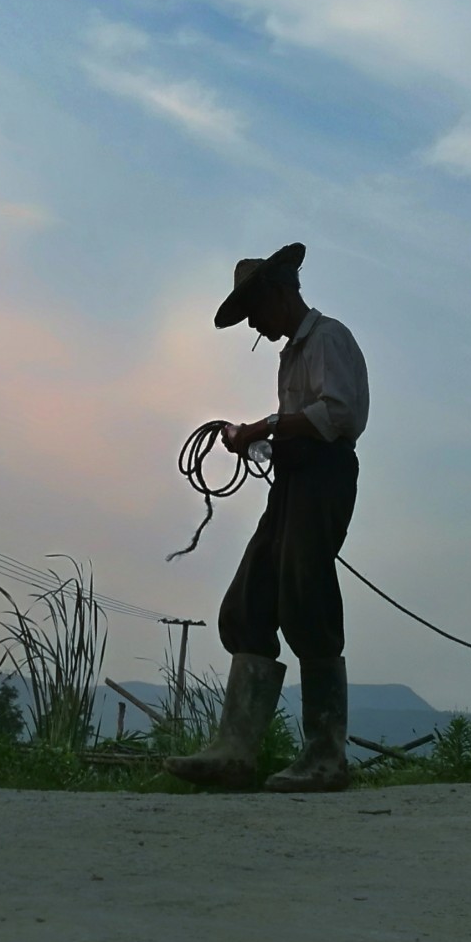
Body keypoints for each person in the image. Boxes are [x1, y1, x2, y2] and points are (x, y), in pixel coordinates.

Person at [165, 242, 370, 792]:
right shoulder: (291, 356)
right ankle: (234, 751)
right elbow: (300, 422)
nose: (254, 325)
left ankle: (326, 756)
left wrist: (265, 427)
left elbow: (338, 413)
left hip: (324, 478)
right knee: (250, 600)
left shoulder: (328, 339)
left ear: (280, 294)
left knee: (307, 595)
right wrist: (259, 438)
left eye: (254, 312)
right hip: (293, 481)